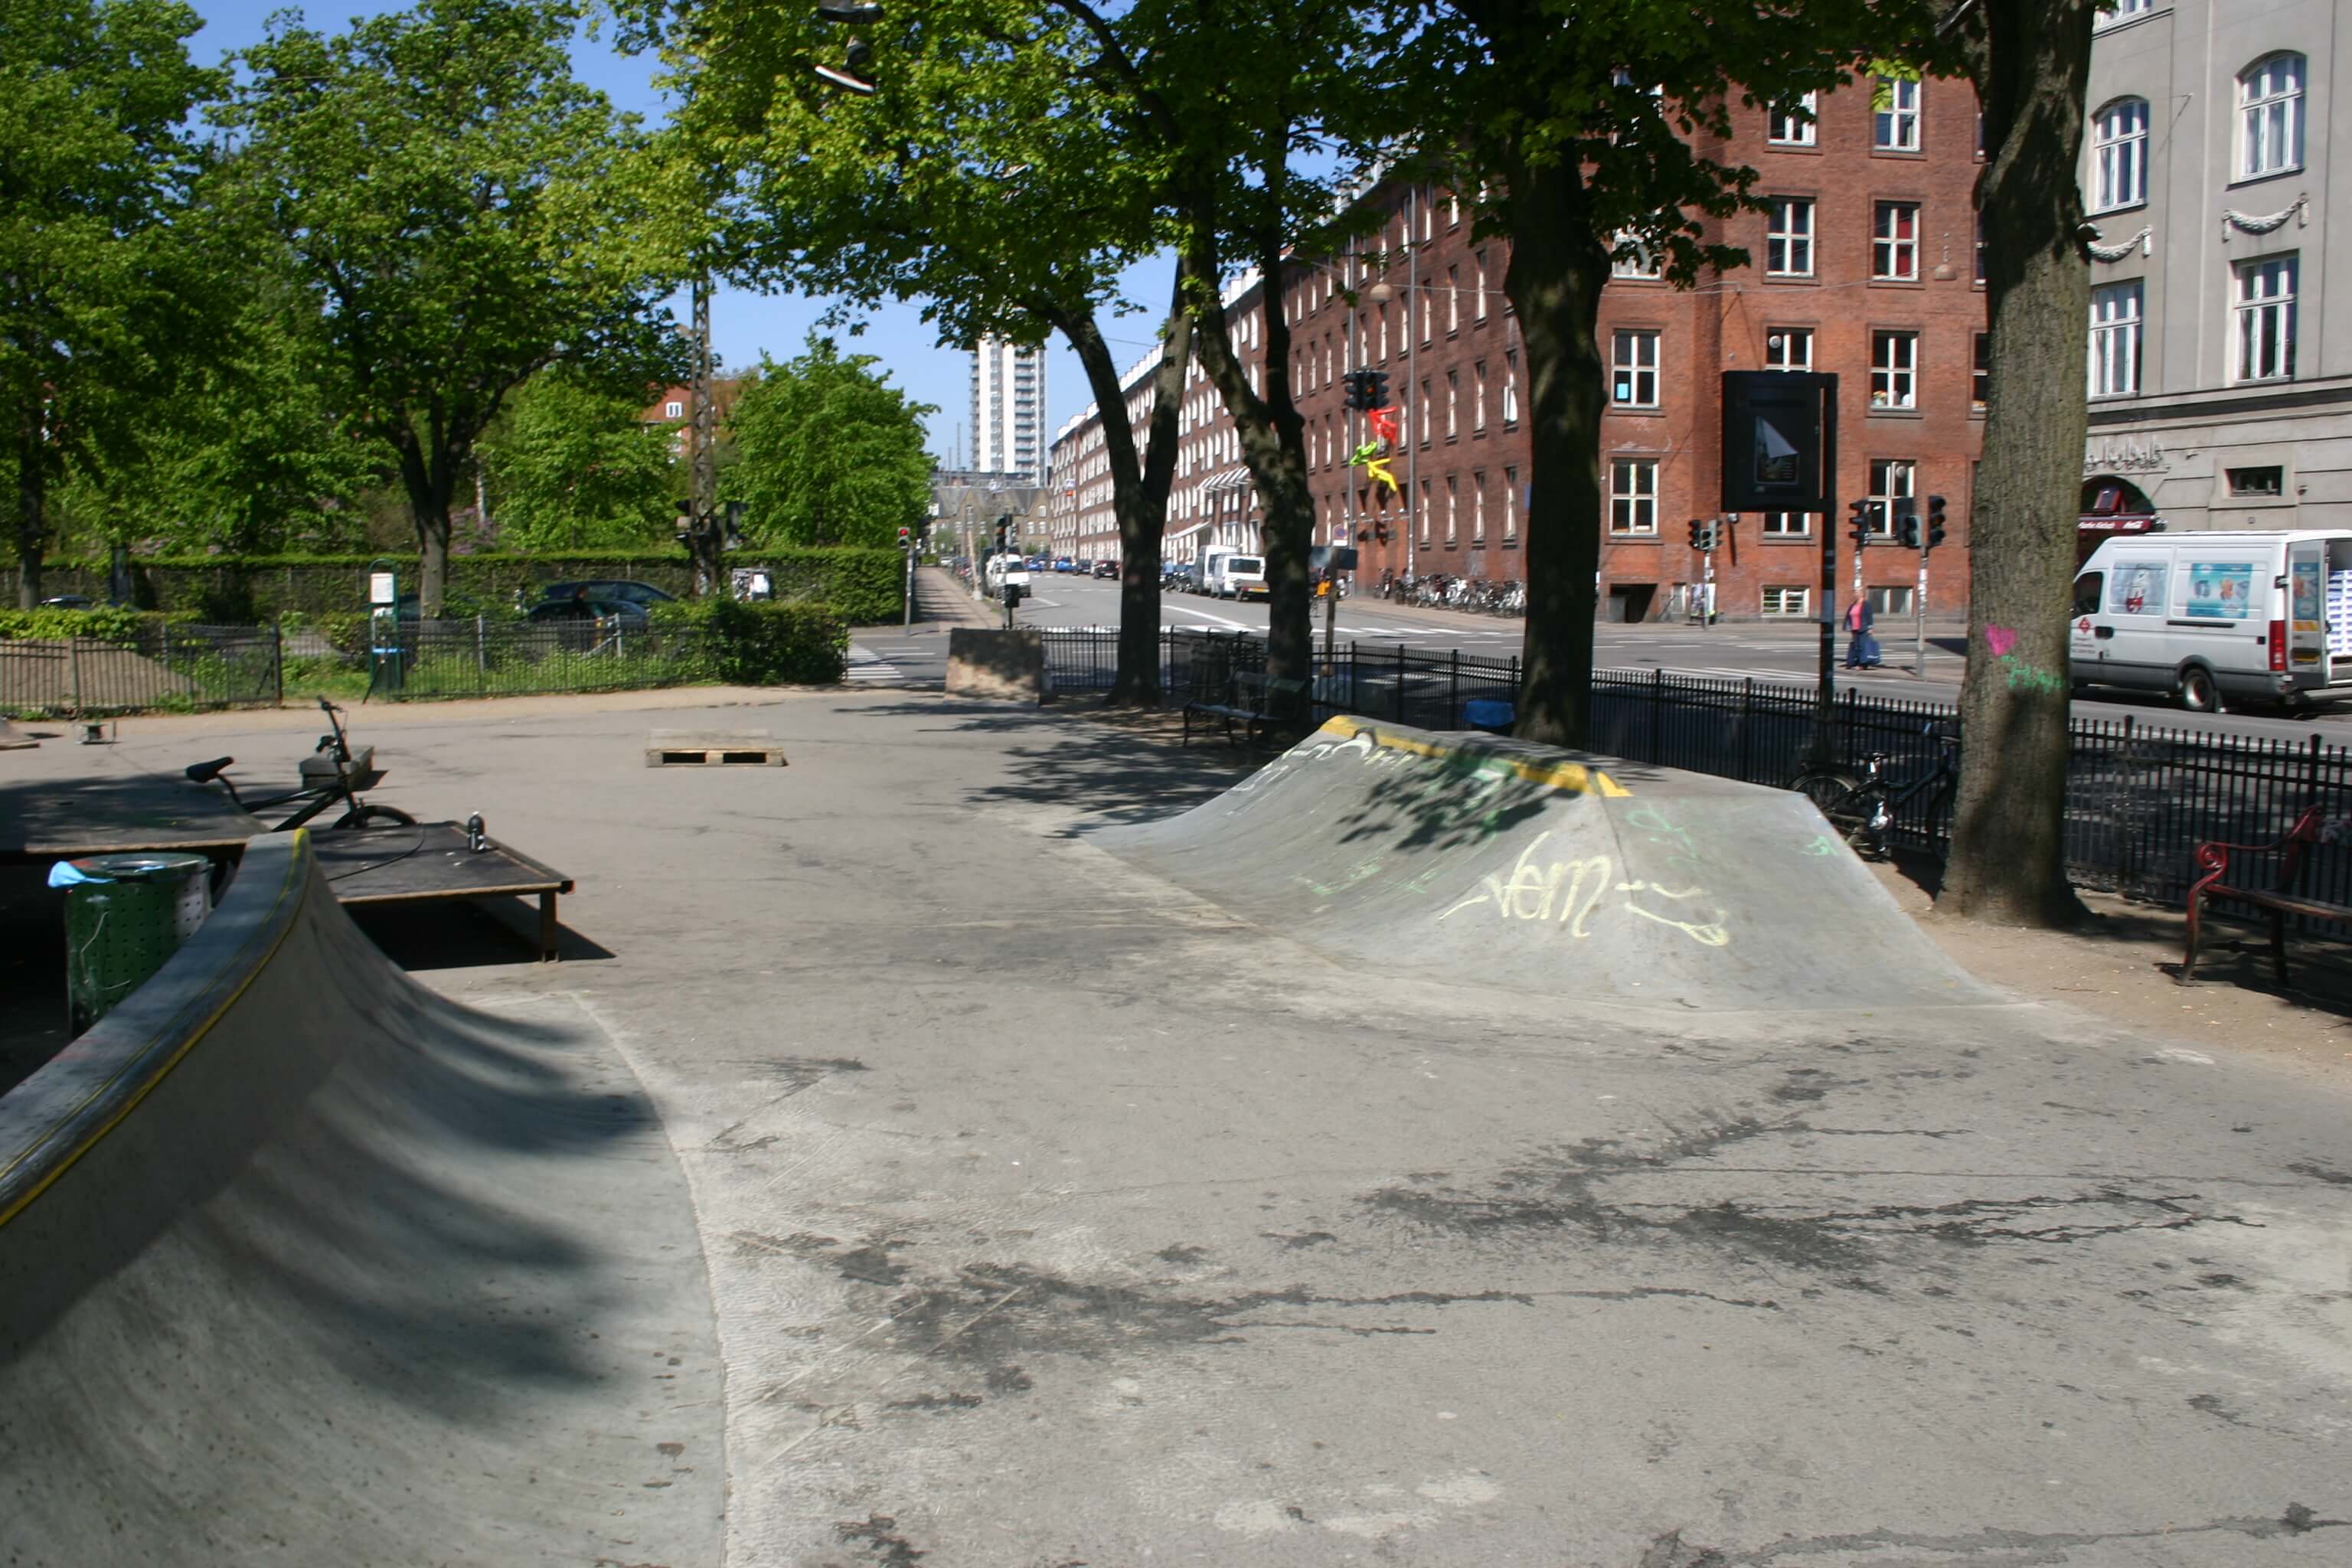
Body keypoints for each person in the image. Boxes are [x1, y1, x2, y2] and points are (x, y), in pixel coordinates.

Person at [1844, 595, 1882, 668]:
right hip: (1854, 628)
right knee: (1856, 647)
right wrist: (1848, 626)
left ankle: (1863, 664)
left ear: (1862, 595)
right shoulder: (1853, 604)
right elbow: (1849, 615)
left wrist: (1870, 628)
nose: (1856, 594)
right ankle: (1856, 662)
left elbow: (1869, 616)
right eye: (1855, 592)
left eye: (1857, 592)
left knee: (1863, 647)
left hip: (1863, 628)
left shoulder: (1866, 604)